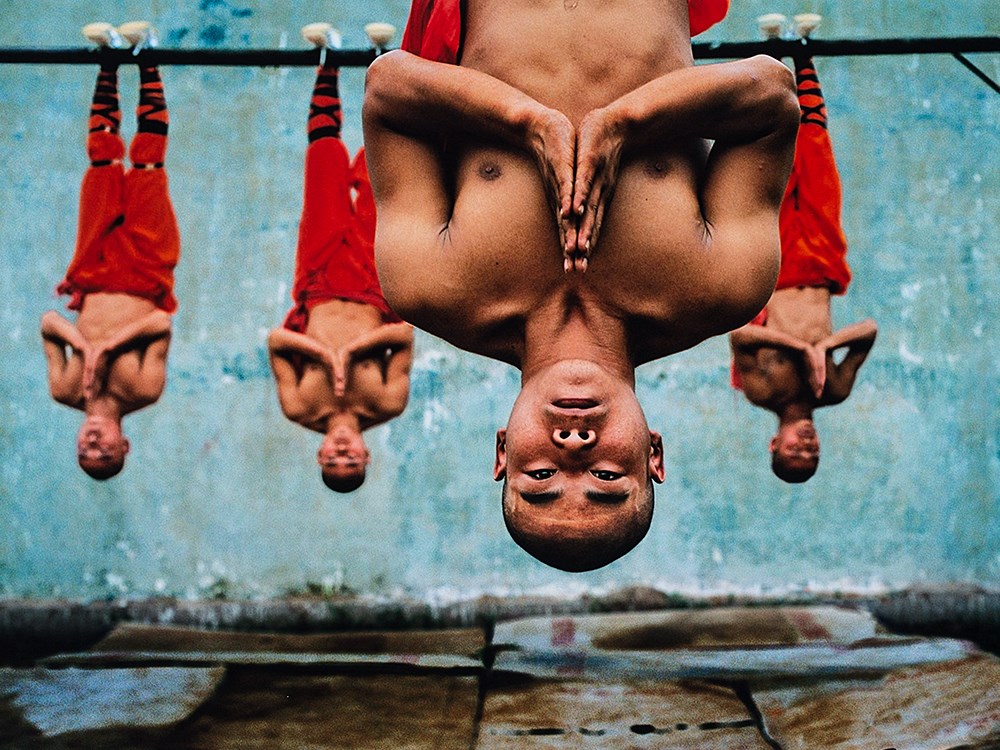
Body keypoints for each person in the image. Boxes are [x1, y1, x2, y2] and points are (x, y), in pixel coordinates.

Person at [363, 0, 799, 569]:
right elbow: (772, 95)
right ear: (654, 455)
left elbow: (387, 89)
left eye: (540, 476)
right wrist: (626, 122)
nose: (573, 448)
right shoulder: (722, 287)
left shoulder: (430, 287)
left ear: (502, 451)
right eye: (607, 477)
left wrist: (527, 121)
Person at [269, 26, 414, 494]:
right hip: (374, 282)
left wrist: (323, 354)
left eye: (334, 461)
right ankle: (384, 63)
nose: (343, 454)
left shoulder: (298, 406)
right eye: (351, 462)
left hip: (319, 281)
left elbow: (275, 342)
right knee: (381, 179)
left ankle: (327, 62)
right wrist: (350, 354)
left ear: (321, 454)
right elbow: (405, 334)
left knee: (324, 170)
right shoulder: (388, 402)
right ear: (366, 455)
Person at [729, 56, 877, 483]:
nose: (807, 445)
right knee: (817, 165)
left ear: (775, 443)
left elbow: (741, 335)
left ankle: (765, 72)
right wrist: (824, 349)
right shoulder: (833, 389)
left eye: (795, 451)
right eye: (813, 453)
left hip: (774, 264)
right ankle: (803, 61)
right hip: (821, 265)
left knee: (769, 169)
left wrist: (798, 348)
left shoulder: (762, 392)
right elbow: (868, 330)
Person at [41, 22, 179, 480]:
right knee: (146, 165)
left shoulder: (64, 390)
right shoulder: (143, 391)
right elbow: (160, 323)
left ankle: (108, 62)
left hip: (93, 270)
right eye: (106, 453)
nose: (94, 445)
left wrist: (82, 345)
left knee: (102, 163)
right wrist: (107, 351)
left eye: (85, 453)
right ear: (125, 444)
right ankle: (147, 56)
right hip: (146, 270)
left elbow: (49, 323)